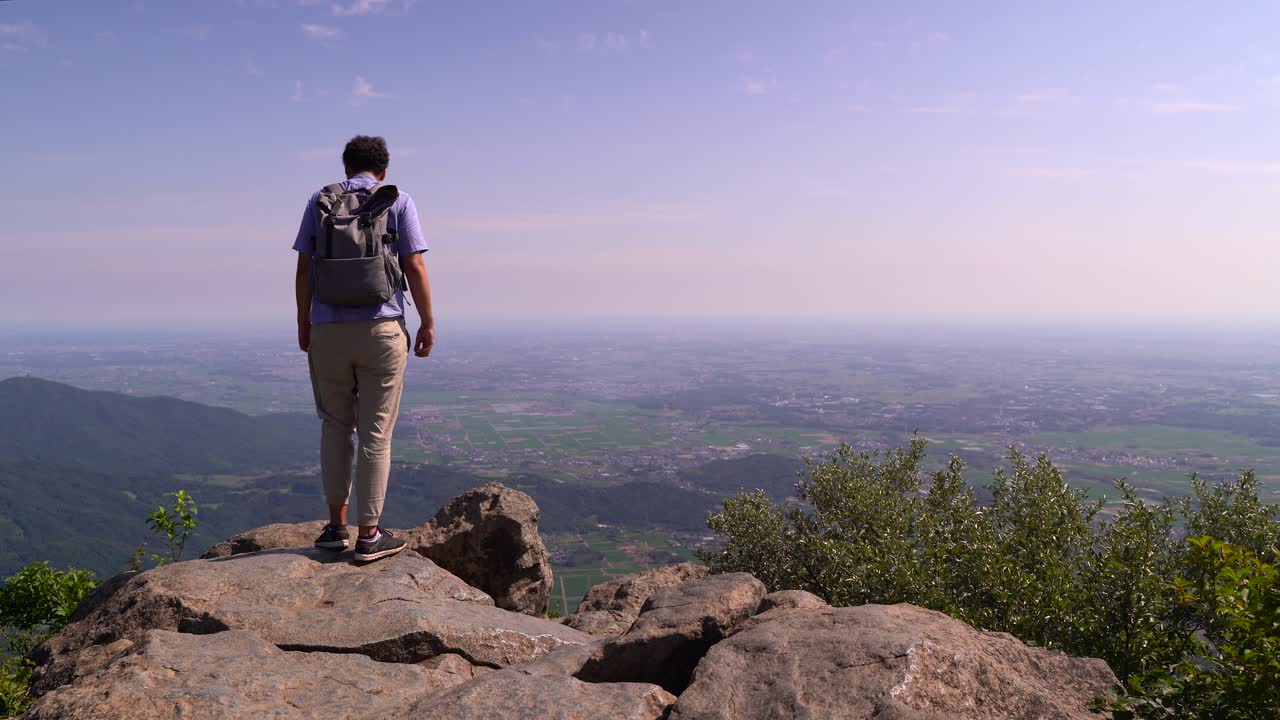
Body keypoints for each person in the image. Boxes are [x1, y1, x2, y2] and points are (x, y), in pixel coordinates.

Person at [293, 135, 434, 562]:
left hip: (328, 332)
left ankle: (336, 529)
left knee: (335, 426)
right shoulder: (398, 200)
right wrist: (428, 321)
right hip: (382, 330)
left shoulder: (321, 201)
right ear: (384, 170)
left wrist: (305, 323)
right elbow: (414, 265)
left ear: (345, 165)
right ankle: (369, 536)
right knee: (376, 433)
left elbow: (303, 268)